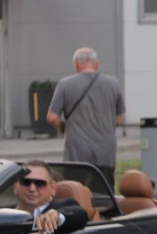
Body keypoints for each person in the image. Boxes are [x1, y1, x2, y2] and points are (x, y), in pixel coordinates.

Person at [46, 47, 125, 186]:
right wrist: (105, 126)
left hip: (76, 153)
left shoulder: (65, 84)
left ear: (76, 64)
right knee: (103, 194)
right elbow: (119, 119)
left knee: (75, 192)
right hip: (105, 153)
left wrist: (63, 126)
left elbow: (52, 117)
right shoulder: (114, 84)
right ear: (96, 64)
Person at [13, 160, 87, 234]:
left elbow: (79, 214)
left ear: (53, 188)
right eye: (26, 182)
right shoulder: (5, 211)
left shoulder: (64, 206)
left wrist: (57, 217)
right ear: (16, 186)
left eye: (40, 183)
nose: (32, 189)